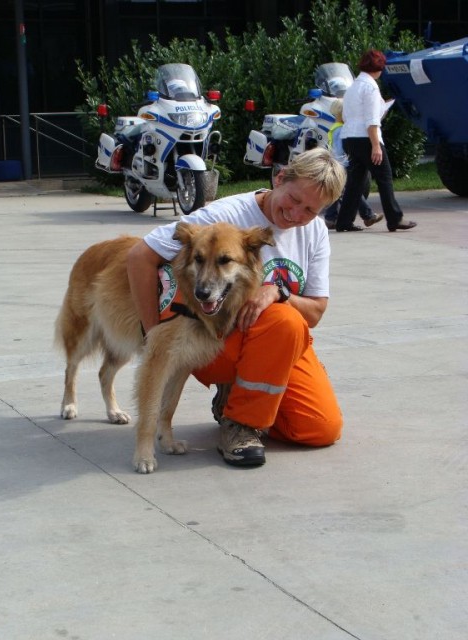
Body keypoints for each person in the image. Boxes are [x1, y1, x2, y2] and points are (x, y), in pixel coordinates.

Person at [126, 148, 346, 468]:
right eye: (295, 199)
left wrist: (278, 291)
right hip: (217, 337)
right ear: (280, 178)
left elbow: (315, 312)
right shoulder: (223, 217)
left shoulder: (314, 232)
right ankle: (241, 424)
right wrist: (152, 331)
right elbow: (139, 256)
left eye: (311, 210)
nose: (297, 214)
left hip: (274, 347)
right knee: (284, 321)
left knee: (320, 427)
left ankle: (238, 400)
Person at [335, 49, 417, 232]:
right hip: (366, 138)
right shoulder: (371, 87)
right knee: (384, 177)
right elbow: (372, 121)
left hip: (350, 137)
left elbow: (348, 115)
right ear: (379, 67)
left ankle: (344, 221)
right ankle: (395, 218)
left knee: (355, 181)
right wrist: (375, 146)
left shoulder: (353, 87)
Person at [323, 98, 383, 230]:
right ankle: (367, 215)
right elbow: (340, 149)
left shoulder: (335, 127)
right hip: (342, 165)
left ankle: (331, 218)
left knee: (341, 191)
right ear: (342, 114)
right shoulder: (341, 129)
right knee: (352, 190)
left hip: (338, 164)